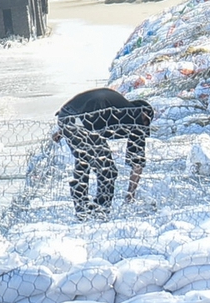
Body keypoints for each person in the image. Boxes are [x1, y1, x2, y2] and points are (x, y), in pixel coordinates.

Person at [54, 88, 154, 218]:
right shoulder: (135, 116)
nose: (144, 127)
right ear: (145, 114)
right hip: (80, 122)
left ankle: (82, 209)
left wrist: (62, 131)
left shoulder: (119, 105)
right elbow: (137, 163)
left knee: (84, 160)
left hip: (66, 116)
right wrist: (130, 194)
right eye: (146, 122)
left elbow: (91, 107)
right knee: (108, 171)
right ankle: (100, 212)